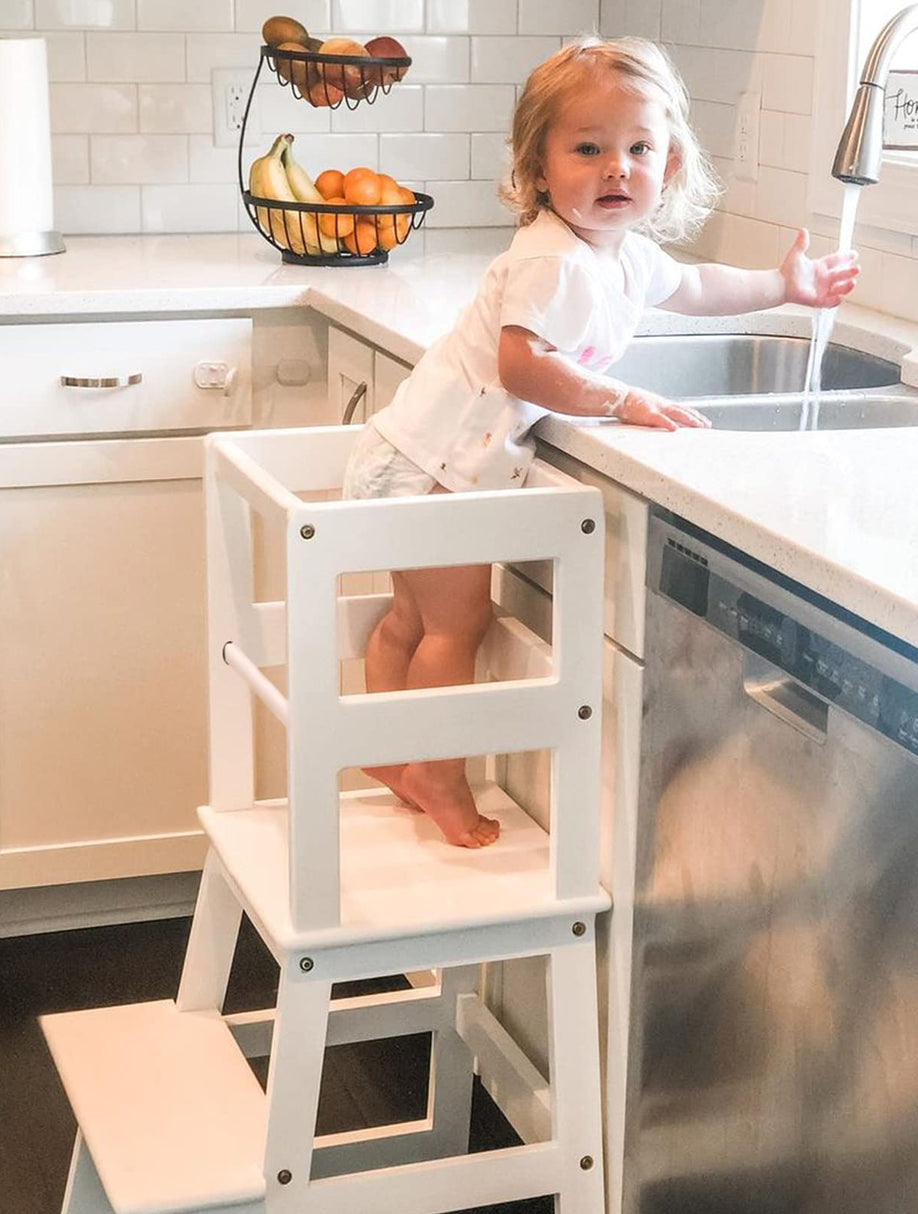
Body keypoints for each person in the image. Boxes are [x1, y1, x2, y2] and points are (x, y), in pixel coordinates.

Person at [342, 36, 859, 849]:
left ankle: (389, 755)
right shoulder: (555, 262)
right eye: (588, 149)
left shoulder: (618, 253)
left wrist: (780, 288)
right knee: (453, 626)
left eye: (638, 148)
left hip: (411, 450)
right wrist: (621, 398)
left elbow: (694, 286)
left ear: (669, 162)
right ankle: (436, 779)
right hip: (435, 468)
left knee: (409, 620)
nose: (616, 168)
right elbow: (523, 365)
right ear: (538, 167)